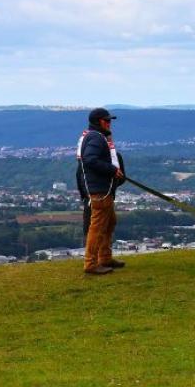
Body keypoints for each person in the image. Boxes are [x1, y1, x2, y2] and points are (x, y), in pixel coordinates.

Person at [76, 107, 125, 275]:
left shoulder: (93, 136)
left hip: (103, 189)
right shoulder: (96, 138)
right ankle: (90, 263)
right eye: (107, 121)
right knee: (97, 227)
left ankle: (105, 257)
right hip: (99, 190)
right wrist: (111, 170)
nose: (110, 124)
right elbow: (90, 159)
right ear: (99, 122)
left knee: (109, 222)